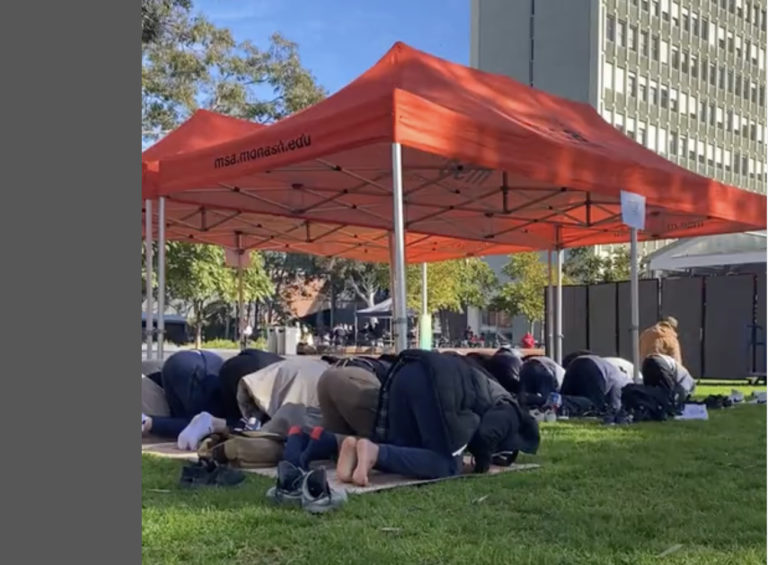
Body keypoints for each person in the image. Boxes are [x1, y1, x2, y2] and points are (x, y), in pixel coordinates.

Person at [333, 351, 540, 486]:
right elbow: (487, 435)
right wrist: (481, 466)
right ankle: (373, 452)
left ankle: (358, 451)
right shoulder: (511, 408)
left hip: (406, 370)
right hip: (436, 383)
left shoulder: (485, 382)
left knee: (407, 450)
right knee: (446, 464)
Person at [141, 350, 230, 450]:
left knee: (196, 425)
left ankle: (146, 422)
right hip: (198, 368)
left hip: (192, 360)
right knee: (197, 426)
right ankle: (146, 422)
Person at [560, 354, 633, 414]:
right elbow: (616, 389)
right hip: (592, 367)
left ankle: (557, 401)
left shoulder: (615, 369)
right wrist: (616, 409)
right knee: (595, 405)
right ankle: (563, 400)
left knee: (568, 398)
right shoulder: (626, 380)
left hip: (575, 364)